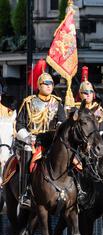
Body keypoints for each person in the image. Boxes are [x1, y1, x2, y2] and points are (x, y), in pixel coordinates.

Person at [16, 72, 66, 208]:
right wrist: (27, 138)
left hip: (52, 141)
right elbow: (19, 124)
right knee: (27, 155)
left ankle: (75, 190)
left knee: (70, 156)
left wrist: (60, 128)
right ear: (39, 85)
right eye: (46, 83)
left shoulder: (57, 102)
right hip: (33, 142)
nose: (50, 86)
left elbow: (62, 121)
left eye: (51, 83)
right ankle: (25, 192)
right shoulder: (29, 102)